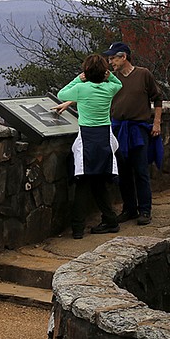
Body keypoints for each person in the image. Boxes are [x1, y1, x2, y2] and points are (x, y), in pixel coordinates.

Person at [55, 54, 122, 239]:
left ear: (86, 71)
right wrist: (110, 76)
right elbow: (119, 85)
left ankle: (77, 229)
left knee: (82, 185)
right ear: (104, 72)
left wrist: (79, 78)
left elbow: (61, 94)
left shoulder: (81, 89)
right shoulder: (109, 88)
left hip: (87, 140)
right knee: (99, 183)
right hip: (104, 140)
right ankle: (111, 220)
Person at [104, 42, 163, 226]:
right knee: (123, 172)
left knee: (141, 171)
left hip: (138, 129)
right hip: (118, 128)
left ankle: (145, 209)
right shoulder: (112, 79)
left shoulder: (143, 74)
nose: (110, 61)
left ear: (124, 57)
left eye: (113, 57)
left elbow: (157, 98)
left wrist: (156, 123)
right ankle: (129, 209)